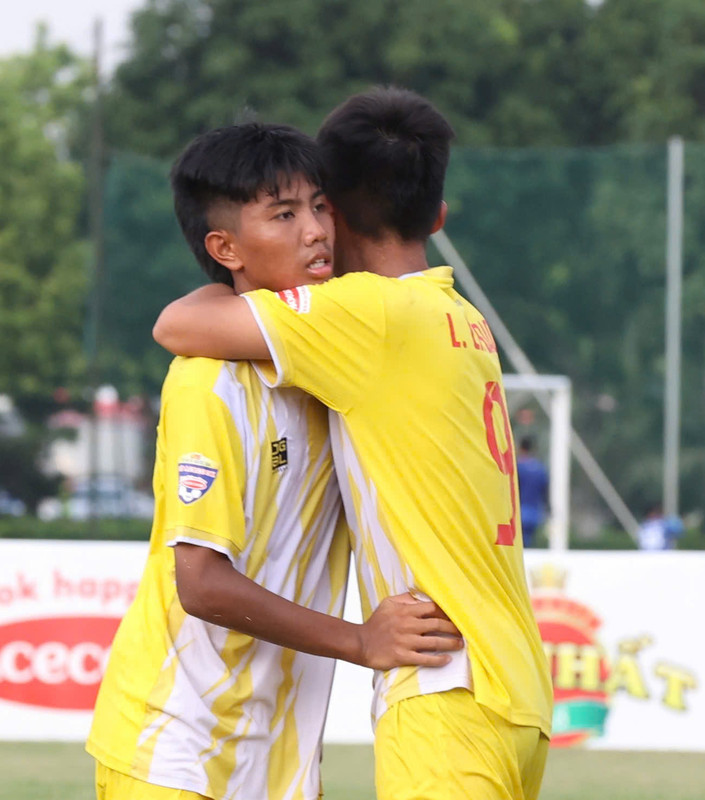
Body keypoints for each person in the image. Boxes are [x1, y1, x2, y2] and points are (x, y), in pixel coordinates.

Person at [154, 89, 553, 800]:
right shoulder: (460, 317)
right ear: (438, 216)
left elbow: (177, 326)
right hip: (514, 682)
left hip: (444, 687)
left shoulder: (364, 317)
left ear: (332, 211)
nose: (308, 228)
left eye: (313, 208)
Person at [87, 123, 461, 800]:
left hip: (280, 763)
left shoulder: (338, 360)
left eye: (319, 206)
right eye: (283, 215)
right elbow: (201, 583)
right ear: (225, 248)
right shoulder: (210, 382)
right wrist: (361, 640)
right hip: (177, 751)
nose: (315, 231)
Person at [516, 436, 550, 548]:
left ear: (520, 448)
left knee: (519, 545)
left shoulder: (518, 467)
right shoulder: (540, 469)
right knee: (529, 543)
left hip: (520, 513)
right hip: (535, 514)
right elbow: (545, 492)